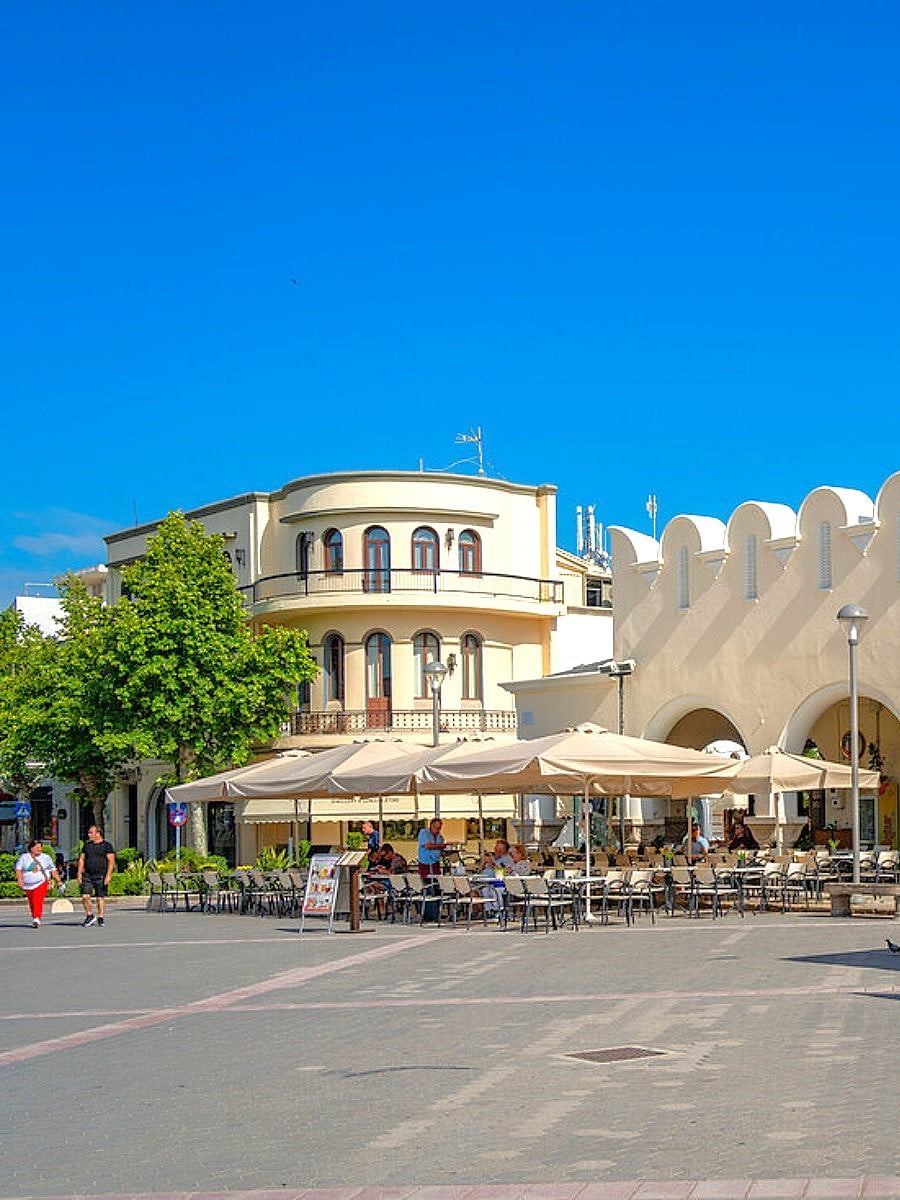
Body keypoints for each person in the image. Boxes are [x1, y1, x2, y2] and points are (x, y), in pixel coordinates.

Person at [15, 839, 63, 928]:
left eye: (40, 848)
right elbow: (18, 869)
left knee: (38, 899)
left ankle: (37, 918)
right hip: (28, 884)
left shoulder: (46, 858)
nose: (39, 849)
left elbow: (53, 870)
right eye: (37, 847)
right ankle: (35, 916)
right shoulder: (24, 857)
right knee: (32, 902)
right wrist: (20, 880)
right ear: (31, 848)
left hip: (41, 882)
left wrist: (59, 881)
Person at [77, 825, 116, 927]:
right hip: (88, 875)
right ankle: (89, 915)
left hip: (101, 875)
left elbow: (111, 861)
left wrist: (108, 875)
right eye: (89, 833)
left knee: (100, 898)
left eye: (91, 833)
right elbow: (82, 859)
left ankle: (101, 916)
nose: (89, 835)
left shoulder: (107, 846)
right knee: (85, 896)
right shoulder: (87, 846)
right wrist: (79, 873)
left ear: (98, 833)